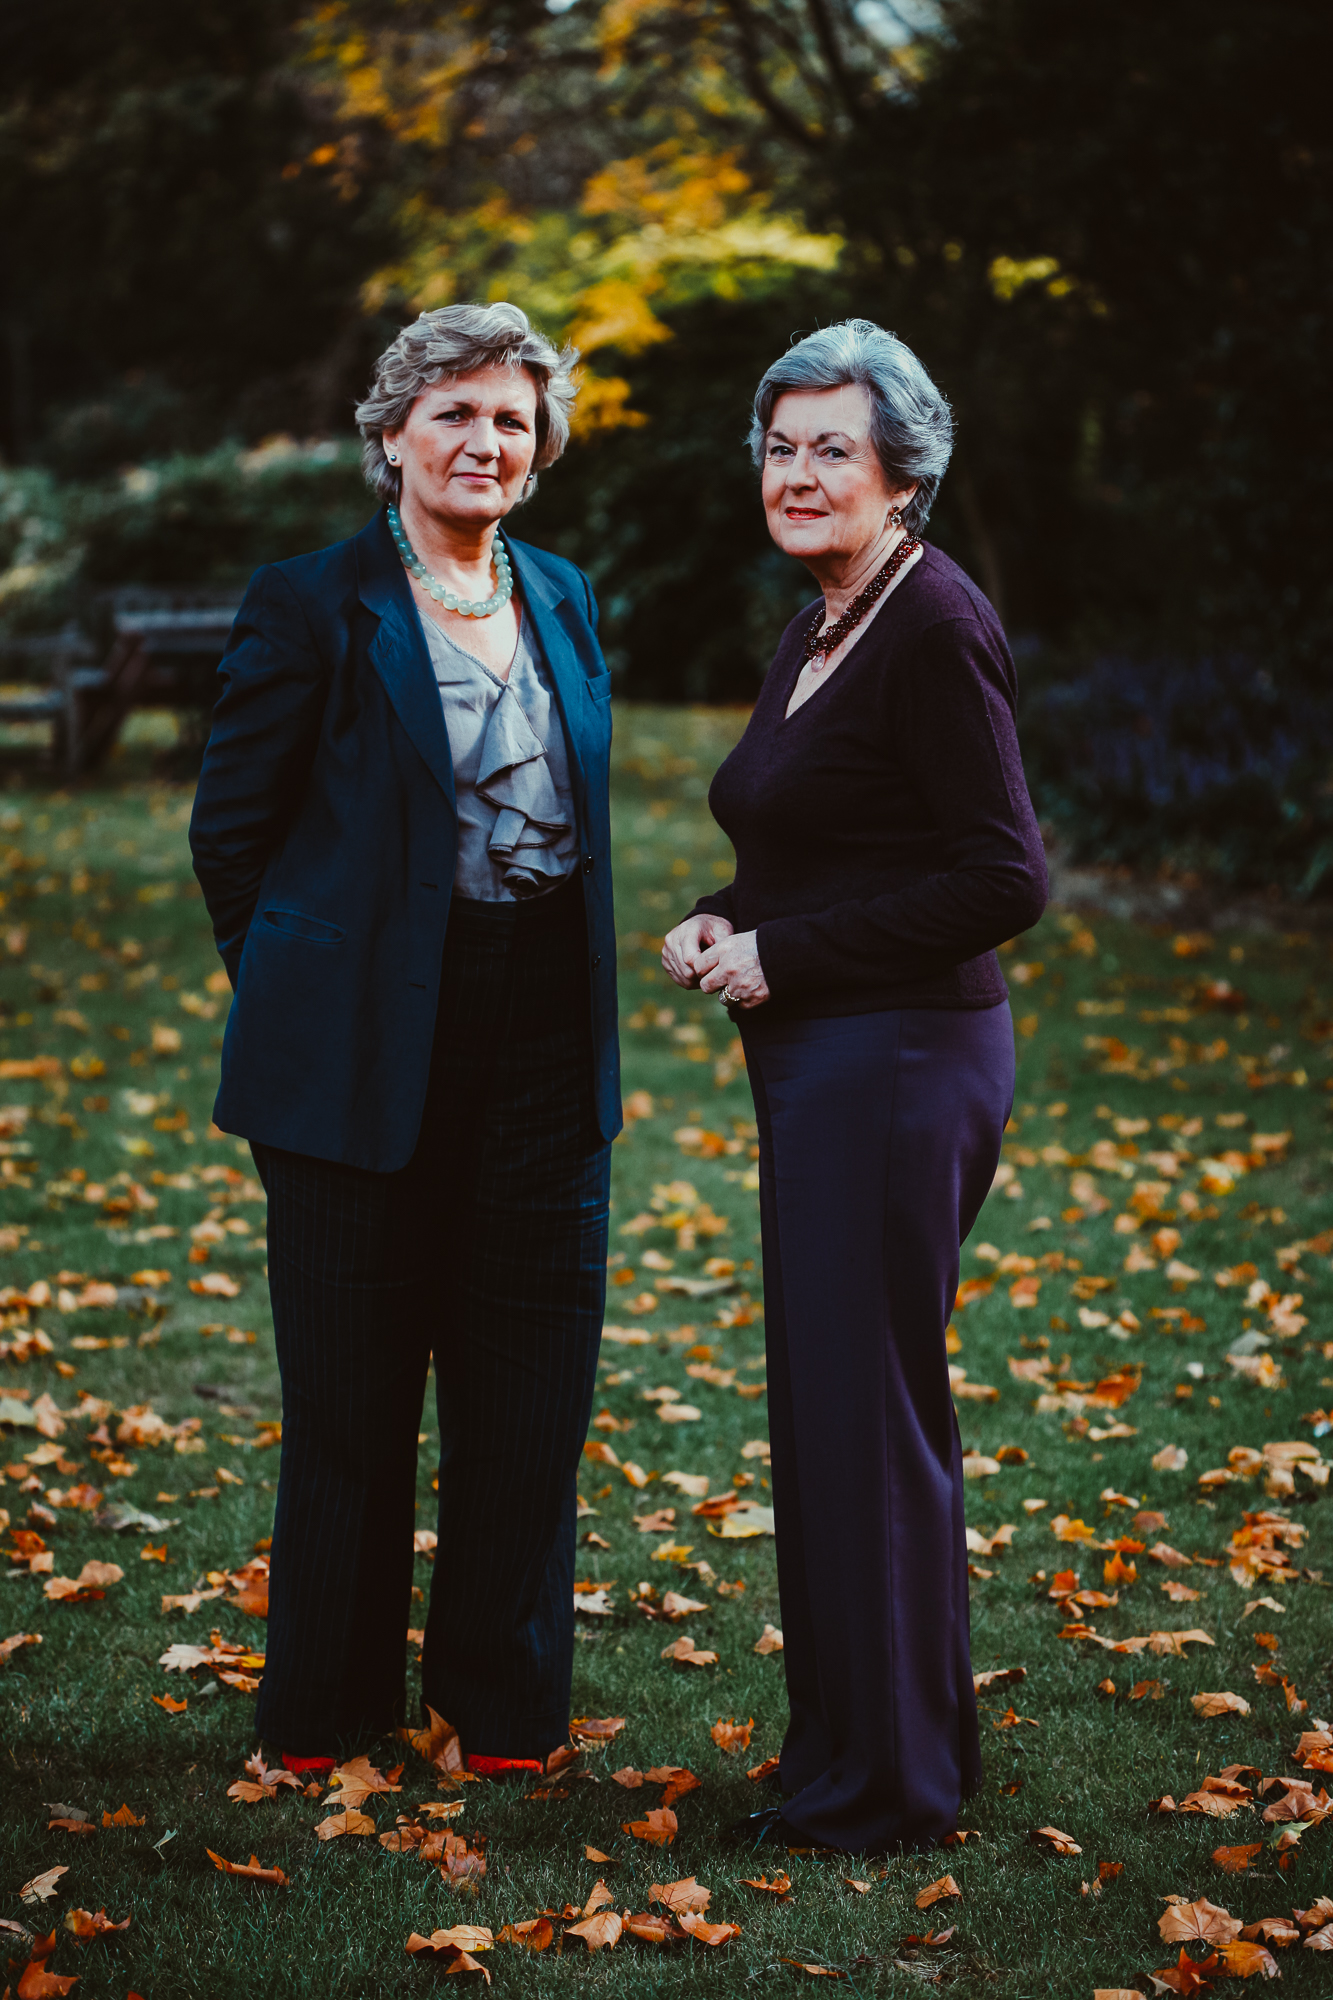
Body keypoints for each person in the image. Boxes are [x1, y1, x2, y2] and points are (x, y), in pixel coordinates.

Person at [189, 302, 620, 1780]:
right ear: (391, 439)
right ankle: (324, 1714)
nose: (485, 441)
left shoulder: (561, 594)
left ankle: (500, 1713)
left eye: (511, 419)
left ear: (538, 449)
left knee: (524, 1396)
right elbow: (232, 837)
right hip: (356, 1057)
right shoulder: (309, 602)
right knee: (352, 1403)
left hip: (546, 1048)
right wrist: (308, 998)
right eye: (454, 413)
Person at [662, 319, 1047, 1854]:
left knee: (870, 1413)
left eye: (831, 445)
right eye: (779, 445)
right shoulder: (825, 617)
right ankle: (848, 1747)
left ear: (903, 469)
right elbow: (821, 840)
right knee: (830, 1409)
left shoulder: (931, 619)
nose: (798, 471)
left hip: (897, 1063)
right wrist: (724, 911)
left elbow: (1000, 875)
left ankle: (888, 1788)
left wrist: (788, 956)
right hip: (830, 1055)